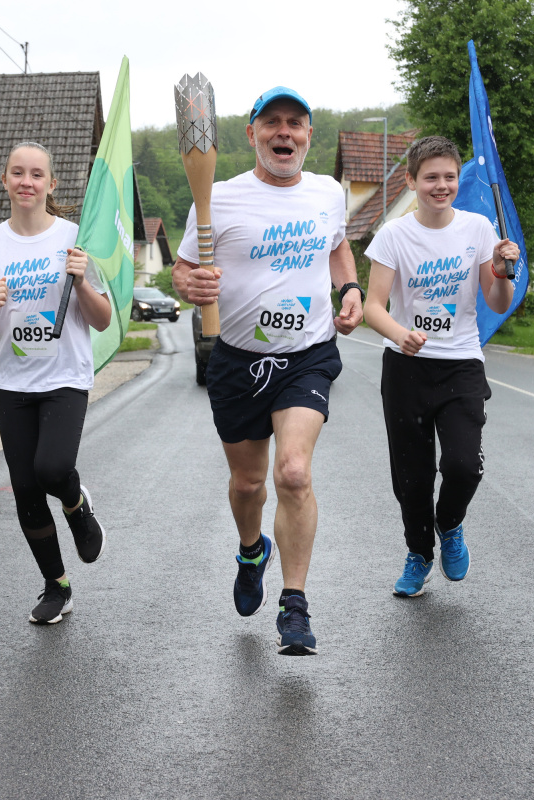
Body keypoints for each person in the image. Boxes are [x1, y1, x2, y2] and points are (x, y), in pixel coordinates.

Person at [173, 87, 364, 656]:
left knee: (294, 473)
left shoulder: (327, 192)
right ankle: (252, 549)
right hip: (238, 361)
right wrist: (190, 285)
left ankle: (294, 605)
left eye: (295, 123)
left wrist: (350, 288)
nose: (285, 132)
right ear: (252, 133)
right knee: (248, 484)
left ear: (308, 136)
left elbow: (337, 247)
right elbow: (183, 270)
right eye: (273, 122)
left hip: (307, 354)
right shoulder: (218, 197)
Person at [0, 141, 112, 624]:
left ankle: (76, 504)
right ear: (4, 180)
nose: (27, 181)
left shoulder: (75, 239)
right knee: (25, 490)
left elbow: (103, 319)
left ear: (51, 184)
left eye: (37, 174)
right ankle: (56, 586)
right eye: (18, 173)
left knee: (52, 468)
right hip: (13, 383)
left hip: (65, 377)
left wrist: (81, 281)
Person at [362, 135, 518, 598]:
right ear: (412, 181)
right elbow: (373, 306)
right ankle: (419, 554)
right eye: (431, 177)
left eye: (449, 176)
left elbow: (497, 301)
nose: (442, 185)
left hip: (461, 364)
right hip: (406, 368)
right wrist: (399, 334)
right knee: (411, 478)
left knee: (463, 465)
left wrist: (502, 271)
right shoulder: (393, 235)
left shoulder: (477, 229)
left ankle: (449, 523)